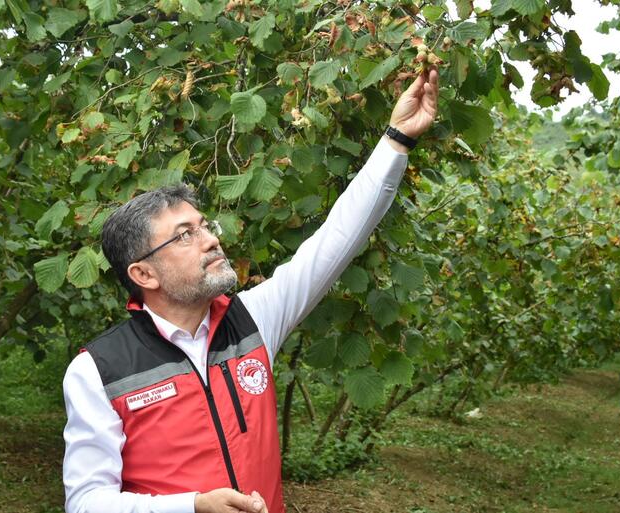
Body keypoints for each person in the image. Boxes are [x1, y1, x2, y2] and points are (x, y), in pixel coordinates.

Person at [62, 68, 439, 513]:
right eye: (184, 235)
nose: (210, 239)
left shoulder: (252, 321)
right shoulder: (99, 371)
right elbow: (86, 503)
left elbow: (335, 241)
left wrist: (396, 140)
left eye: (205, 226)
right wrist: (192, 506)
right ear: (144, 275)